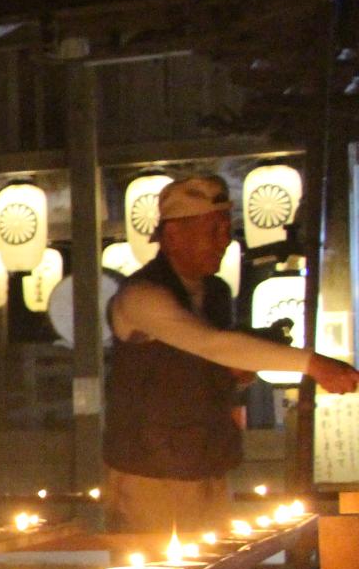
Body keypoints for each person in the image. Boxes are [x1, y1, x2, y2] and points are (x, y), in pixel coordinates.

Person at [103, 173, 359, 532]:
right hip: (150, 473)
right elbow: (212, 343)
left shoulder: (217, 292)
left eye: (227, 229)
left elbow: (215, 355)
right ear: (173, 234)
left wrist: (232, 375)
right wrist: (311, 363)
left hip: (208, 461)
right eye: (214, 230)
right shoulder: (141, 296)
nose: (224, 241)